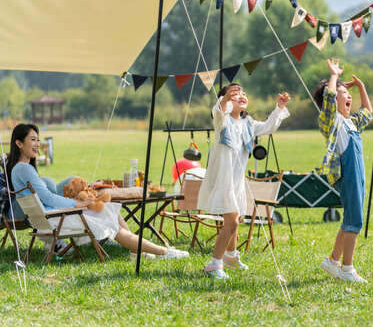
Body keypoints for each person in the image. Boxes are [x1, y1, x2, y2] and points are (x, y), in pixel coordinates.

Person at [6, 123, 188, 260]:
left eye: (38, 139)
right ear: (19, 143)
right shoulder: (24, 169)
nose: (37, 144)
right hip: (55, 218)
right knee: (111, 216)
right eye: (32, 139)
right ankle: (163, 252)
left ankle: (136, 249)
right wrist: (77, 203)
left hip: (51, 217)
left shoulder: (20, 169)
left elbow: (46, 195)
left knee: (109, 208)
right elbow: (47, 198)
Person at [198, 83, 290, 279]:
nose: (240, 95)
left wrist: (279, 107)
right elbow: (219, 111)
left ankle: (231, 257)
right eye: (234, 93)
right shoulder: (222, 121)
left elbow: (268, 127)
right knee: (231, 222)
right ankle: (214, 265)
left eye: (243, 93)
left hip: (236, 180)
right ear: (225, 100)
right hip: (223, 179)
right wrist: (224, 100)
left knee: (236, 220)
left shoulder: (248, 123)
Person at [312, 58, 373, 283]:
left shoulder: (351, 122)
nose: (348, 96)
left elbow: (367, 112)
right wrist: (334, 77)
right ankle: (347, 269)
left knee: (349, 218)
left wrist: (362, 87)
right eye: (343, 93)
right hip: (347, 174)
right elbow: (328, 99)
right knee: (354, 220)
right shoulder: (330, 121)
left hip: (357, 174)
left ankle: (333, 261)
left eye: (349, 94)